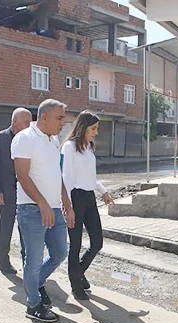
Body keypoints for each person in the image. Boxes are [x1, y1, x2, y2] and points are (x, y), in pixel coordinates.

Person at [11, 99, 75, 323]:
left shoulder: (53, 139)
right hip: (31, 210)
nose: (63, 123)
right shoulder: (24, 139)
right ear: (44, 117)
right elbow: (22, 175)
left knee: (60, 253)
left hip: (54, 209)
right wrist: (41, 203)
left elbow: (57, 173)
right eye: (60, 118)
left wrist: (66, 201)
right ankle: (33, 304)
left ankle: (36, 283)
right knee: (34, 259)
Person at [61, 110, 113, 300]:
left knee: (97, 242)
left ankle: (79, 272)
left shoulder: (89, 147)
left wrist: (103, 191)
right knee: (75, 244)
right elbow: (65, 178)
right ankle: (76, 285)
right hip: (75, 197)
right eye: (93, 128)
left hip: (89, 197)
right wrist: (67, 207)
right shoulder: (69, 147)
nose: (96, 132)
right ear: (83, 127)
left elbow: (91, 177)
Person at [0, 107, 32, 274]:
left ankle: (28, 263)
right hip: (6, 193)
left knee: (26, 229)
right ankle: (3, 262)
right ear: (15, 122)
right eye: (27, 122)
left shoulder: (29, 140)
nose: (30, 126)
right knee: (6, 227)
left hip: (25, 192)